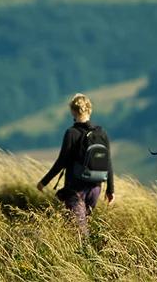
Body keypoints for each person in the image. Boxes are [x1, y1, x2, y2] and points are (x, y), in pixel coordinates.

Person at [37, 93, 115, 236]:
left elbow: (62, 161)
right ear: (89, 110)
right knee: (83, 226)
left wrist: (44, 182)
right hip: (95, 188)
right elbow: (108, 161)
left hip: (75, 188)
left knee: (78, 232)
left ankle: (86, 256)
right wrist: (110, 190)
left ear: (73, 111)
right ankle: (91, 254)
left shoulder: (71, 133)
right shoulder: (101, 133)